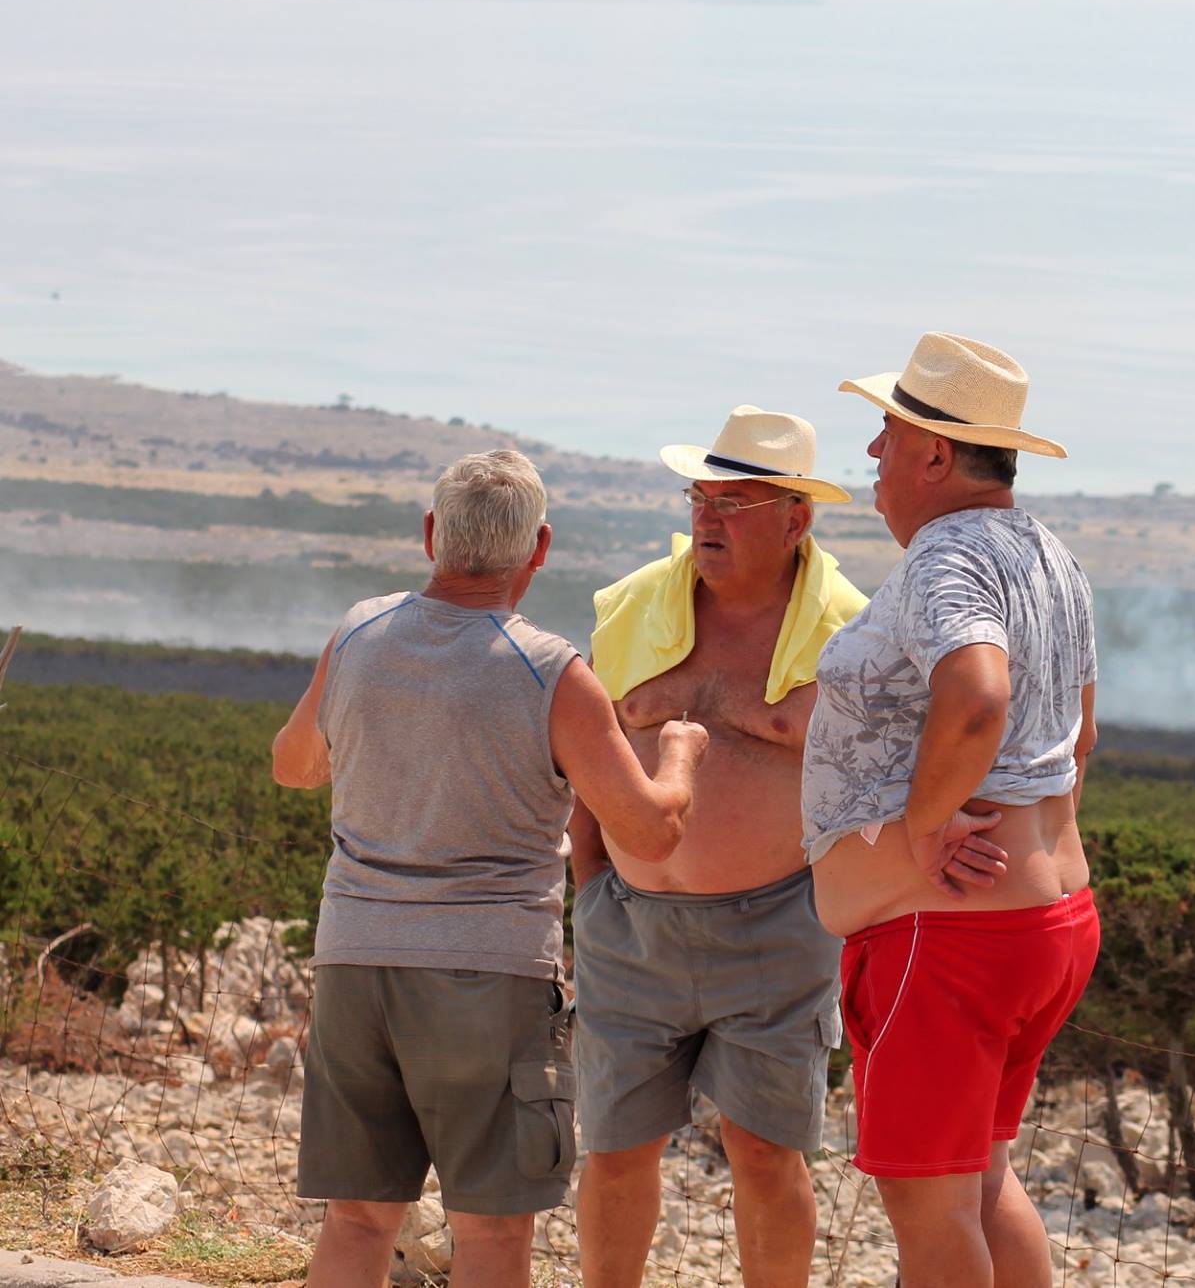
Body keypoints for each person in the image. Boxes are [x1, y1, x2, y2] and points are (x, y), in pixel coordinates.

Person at [272, 449, 706, 1288]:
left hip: (355, 961)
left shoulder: (358, 631)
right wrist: (682, 754)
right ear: (538, 548)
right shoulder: (552, 671)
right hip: (489, 974)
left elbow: (294, 764)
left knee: (358, 1220)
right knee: (494, 1237)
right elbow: (650, 834)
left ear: (432, 534)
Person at [802, 331, 1100, 1288]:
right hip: (1043, 917)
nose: (872, 457)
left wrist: (925, 828)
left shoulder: (947, 555)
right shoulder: (1050, 555)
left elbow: (978, 695)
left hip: (948, 937)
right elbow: (1080, 736)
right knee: (978, 1183)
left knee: (931, 1216)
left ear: (936, 451)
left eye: (885, 433)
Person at [569, 406, 867, 1288]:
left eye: (734, 502)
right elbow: (588, 748)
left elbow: (883, 781)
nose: (707, 517)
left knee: (768, 1156)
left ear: (795, 519)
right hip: (629, 929)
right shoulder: (630, 610)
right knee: (616, 1149)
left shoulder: (848, 632)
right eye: (701, 496)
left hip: (777, 929)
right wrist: (591, 884)